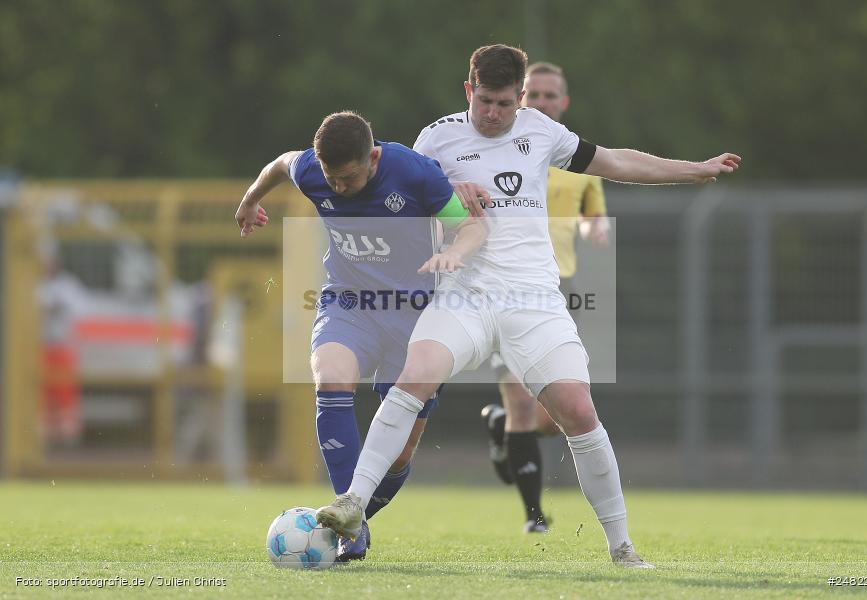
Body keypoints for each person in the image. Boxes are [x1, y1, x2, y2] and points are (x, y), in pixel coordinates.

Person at [316, 45, 740, 568]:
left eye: (504, 104)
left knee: (579, 412)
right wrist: (449, 186)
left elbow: (615, 161)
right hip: (463, 294)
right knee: (413, 377)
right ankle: (354, 503)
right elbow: (401, 196)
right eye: (483, 101)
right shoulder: (437, 137)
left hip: (532, 299)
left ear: (521, 97)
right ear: (468, 90)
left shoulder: (542, 131)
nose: (492, 114)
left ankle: (622, 548)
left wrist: (690, 169)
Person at [235, 111, 486, 562]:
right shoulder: (313, 169)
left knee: (399, 453)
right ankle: (354, 528)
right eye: (331, 177)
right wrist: (251, 199)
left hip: (415, 315)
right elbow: (280, 163)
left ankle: (357, 516)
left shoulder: (412, 171)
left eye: (348, 178)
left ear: (372, 157)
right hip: (349, 302)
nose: (338, 188)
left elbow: (469, 225)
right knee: (329, 380)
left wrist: (453, 251)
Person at [479, 61, 611, 534]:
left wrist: (594, 225)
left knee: (559, 413)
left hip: (560, 291)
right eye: (533, 94)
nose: (541, 102)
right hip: (508, 287)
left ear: (564, 103)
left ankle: (500, 427)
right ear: (520, 97)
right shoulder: (499, 151)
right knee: (520, 401)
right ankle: (535, 516)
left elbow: (593, 214)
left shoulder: (577, 163)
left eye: (550, 96)